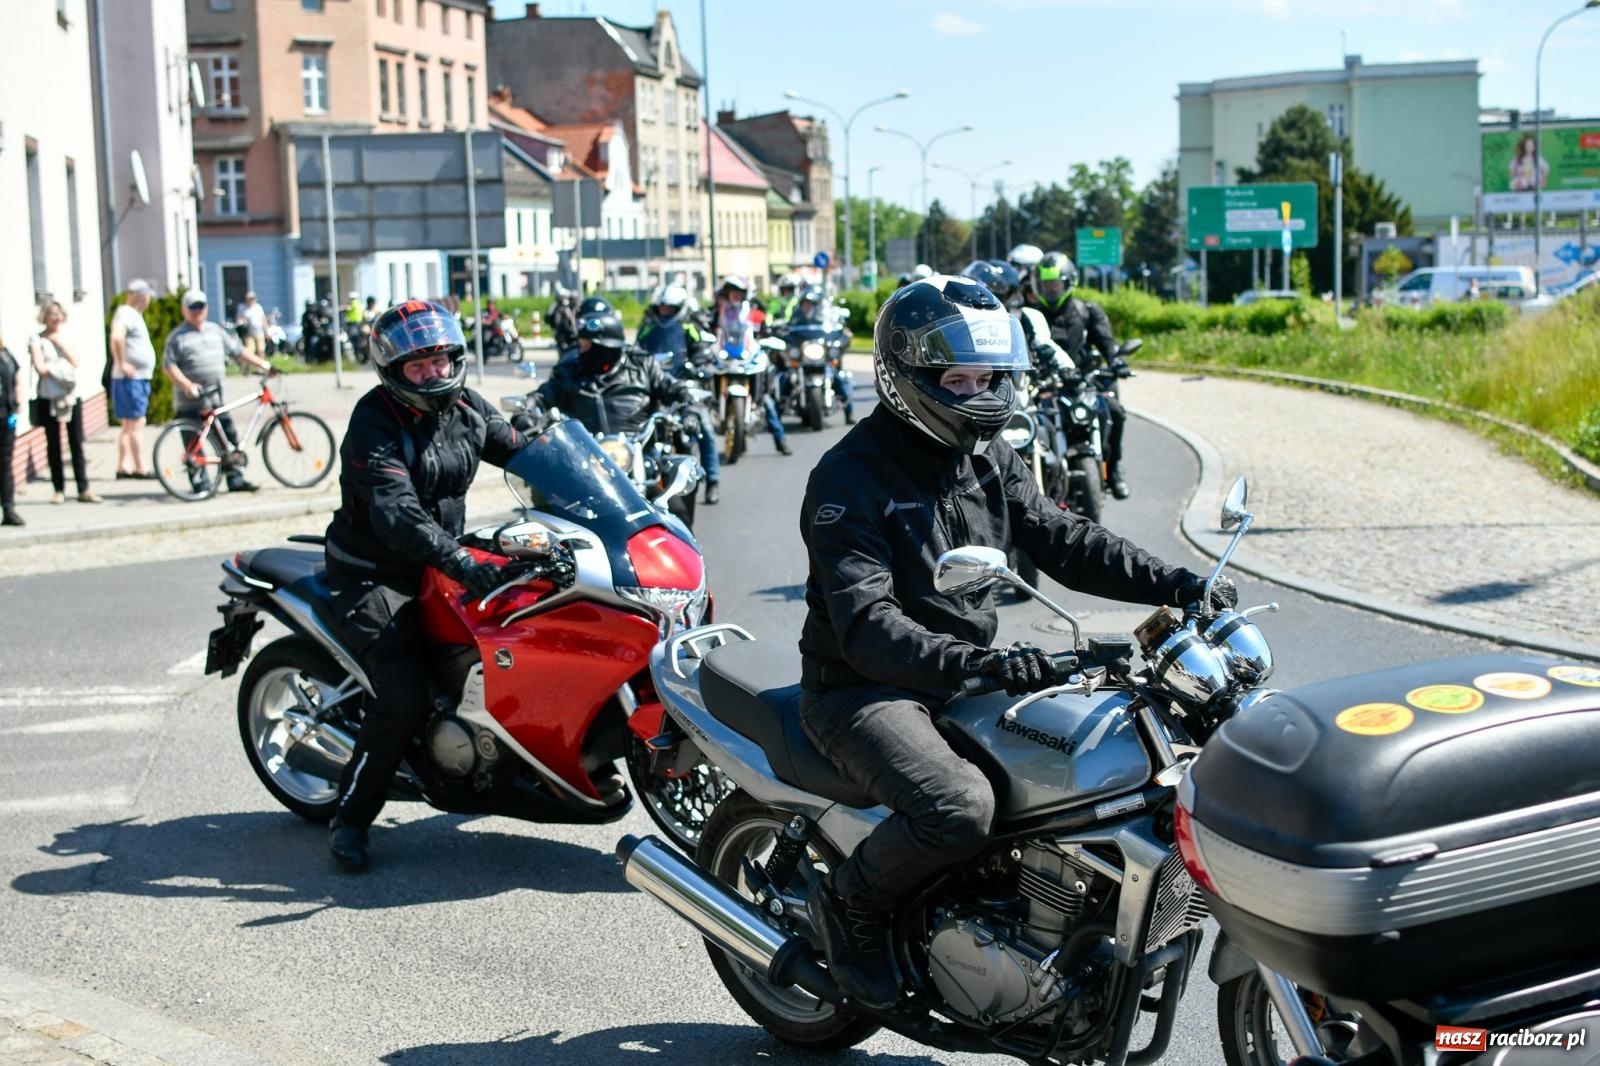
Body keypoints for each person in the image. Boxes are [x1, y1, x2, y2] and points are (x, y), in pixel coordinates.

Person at [796, 275, 1235, 1009]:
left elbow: (1064, 539)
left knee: (1102, 767)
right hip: (865, 690)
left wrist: (1177, 583)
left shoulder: (987, 457)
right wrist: (988, 664)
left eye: (989, 376)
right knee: (959, 807)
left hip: (965, 678)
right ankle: (851, 909)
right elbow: (869, 629)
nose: (978, 392)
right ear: (907, 377)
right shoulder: (849, 479)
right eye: (956, 378)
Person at [323, 300, 524, 871]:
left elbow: (518, 446)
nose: (434, 374)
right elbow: (398, 514)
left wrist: (575, 458)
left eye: (440, 361)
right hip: (376, 571)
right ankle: (352, 816)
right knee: (403, 694)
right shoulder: (373, 421)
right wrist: (463, 561)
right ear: (393, 371)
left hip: (444, 560)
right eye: (418, 367)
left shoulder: (462, 404)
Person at [1028, 252, 1133, 500]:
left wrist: (1116, 361)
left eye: (1055, 285)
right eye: (1046, 286)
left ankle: (1114, 469)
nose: (1051, 291)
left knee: (1115, 411)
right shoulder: (1032, 317)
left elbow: (1107, 343)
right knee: (1032, 427)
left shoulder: (1088, 312)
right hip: (1048, 386)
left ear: (1069, 283)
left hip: (1084, 384)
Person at [162, 289, 274, 494]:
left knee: (228, 437)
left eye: (201, 306)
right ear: (184, 310)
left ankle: (235, 478)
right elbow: (169, 366)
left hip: (215, 399)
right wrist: (187, 385)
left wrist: (264, 365)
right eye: (193, 307)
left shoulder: (215, 331)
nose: (197, 311)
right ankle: (201, 483)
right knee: (193, 445)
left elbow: (239, 352)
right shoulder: (177, 337)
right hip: (190, 401)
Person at [637, 285, 722, 504]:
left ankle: (712, 479)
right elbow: (635, 352)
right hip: (656, 386)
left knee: (703, 426)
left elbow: (702, 351)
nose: (665, 312)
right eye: (662, 308)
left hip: (683, 385)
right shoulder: (646, 328)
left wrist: (696, 365)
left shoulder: (690, 327)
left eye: (670, 309)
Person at [28, 301, 100, 505]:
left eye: (59, 314)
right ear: (44, 316)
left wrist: (58, 347)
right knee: (54, 444)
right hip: (49, 397)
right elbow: (40, 368)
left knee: (75, 442)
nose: (56, 318)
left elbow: (75, 361)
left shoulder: (66, 336)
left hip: (70, 396)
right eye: (52, 314)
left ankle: (83, 488)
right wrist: (60, 368)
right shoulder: (37, 339)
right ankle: (58, 489)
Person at [715, 276, 791, 457]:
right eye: (731, 292)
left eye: (738, 293)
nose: (734, 296)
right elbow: (707, 324)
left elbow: (765, 326)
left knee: (767, 401)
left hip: (748, 357)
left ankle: (781, 441)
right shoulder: (718, 310)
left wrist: (770, 333)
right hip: (725, 355)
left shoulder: (753, 309)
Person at [784, 285, 855, 424]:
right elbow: (789, 328)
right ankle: (780, 405)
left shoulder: (826, 318)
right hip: (803, 357)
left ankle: (849, 412)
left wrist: (840, 334)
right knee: (786, 378)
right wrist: (783, 330)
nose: (807, 306)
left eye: (811, 304)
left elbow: (837, 330)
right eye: (805, 303)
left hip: (821, 356)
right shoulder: (797, 316)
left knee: (839, 377)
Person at [109, 280, 158, 480]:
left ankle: (124, 466)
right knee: (136, 422)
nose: (149, 300)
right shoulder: (126, 313)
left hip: (134, 379)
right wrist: (123, 364)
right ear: (140, 295)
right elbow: (116, 338)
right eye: (147, 295)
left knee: (129, 424)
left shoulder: (131, 314)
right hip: (130, 380)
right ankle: (140, 467)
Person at [1, 334, 22, 525]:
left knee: (5, 464)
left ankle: (9, 509)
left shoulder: (5, 355)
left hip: (5, 417)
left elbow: (17, 377)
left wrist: (17, 405)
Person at [237, 290, 268, 361]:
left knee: (261, 350)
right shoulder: (243, 308)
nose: (251, 300)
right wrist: (241, 322)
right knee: (250, 350)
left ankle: (261, 367)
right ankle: (251, 367)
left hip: (259, 332)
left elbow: (263, 320)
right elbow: (238, 319)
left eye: (252, 298)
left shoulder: (258, 307)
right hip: (248, 333)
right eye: (249, 298)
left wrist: (266, 331)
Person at [548, 287, 579, 353]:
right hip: (562, 332)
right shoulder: (557, 308)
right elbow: (556, 322)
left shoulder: (573, 308)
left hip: (572, 332)